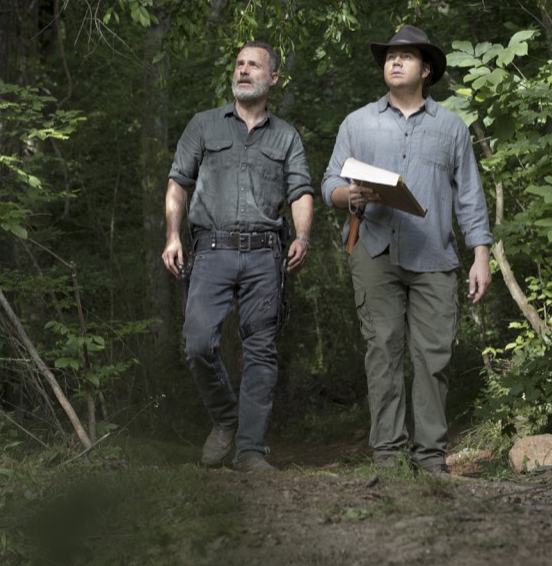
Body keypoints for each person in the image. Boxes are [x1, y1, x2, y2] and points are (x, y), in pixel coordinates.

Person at [321, 25, 493, 476]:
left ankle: (431, 458)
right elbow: (329, 185)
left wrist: (481, 255)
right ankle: (390, 457)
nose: (393, 62)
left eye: (405, 56)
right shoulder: (357, 123)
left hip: (435, 254)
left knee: (433, 356)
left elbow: (470, 197)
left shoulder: (452, 127)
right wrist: (350, 196)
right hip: (374, 250)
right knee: (382, 351)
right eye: (388, 56)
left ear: (427, 69)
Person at [162, 40, 314, 473]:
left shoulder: (285, 136)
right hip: (210, 251)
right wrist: (173, 235)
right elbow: (178, 184)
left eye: (254, 65)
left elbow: (301, 190)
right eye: (240, 64)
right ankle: (226, 418)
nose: (244, 71)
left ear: (273, 78)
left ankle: (249, 449)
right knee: (197, 342)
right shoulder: (203, 125)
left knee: (261, 351)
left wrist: (302, 236)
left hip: (266, 257)